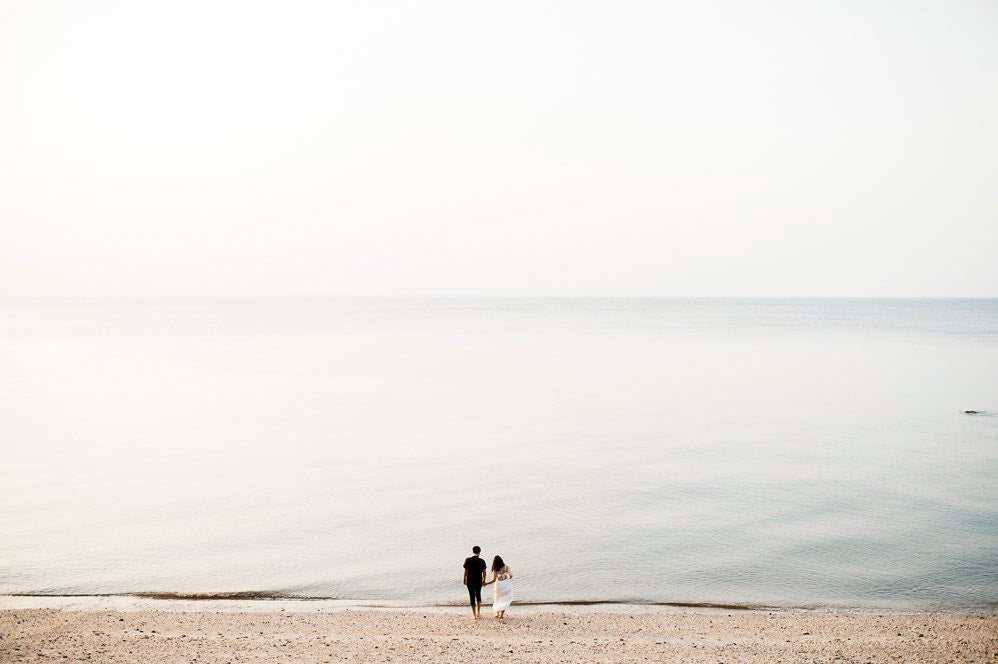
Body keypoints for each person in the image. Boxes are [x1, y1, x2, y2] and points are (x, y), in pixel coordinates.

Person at [462, 545, 487, 620]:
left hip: (470, 581)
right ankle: (478, 613)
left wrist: (464, 579)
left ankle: (474, 615)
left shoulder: (467, 560)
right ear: (479, 552)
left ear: (472, 551)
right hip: (478, 581)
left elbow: (465, 572)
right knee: (478, 595)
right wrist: (484, 580)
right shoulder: (482, 561)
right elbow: (484, 573)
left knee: (472, 596)